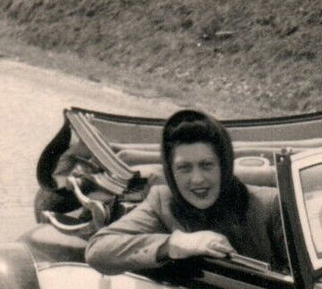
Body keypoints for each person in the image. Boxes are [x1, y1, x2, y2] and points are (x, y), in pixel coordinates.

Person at [85, 108, 285, 274]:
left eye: (207, 165)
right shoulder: (162, 201)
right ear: (170, 172)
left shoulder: (269, 205)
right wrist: (174, 244)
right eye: (184, 168)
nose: (197, 179)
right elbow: (98, 249)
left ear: (224, 166)